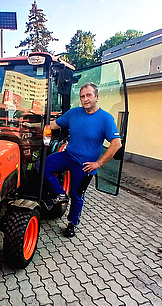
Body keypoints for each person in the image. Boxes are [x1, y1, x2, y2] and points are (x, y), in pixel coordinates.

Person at [44, 82, 122, 238]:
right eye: (82, 96)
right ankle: (60, 194)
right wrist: (37, 129)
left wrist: (98, 163)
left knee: (77, 195)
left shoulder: (105, 119)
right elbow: (53, 125)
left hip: (85, 166)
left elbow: (116, 144)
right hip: (67, 156)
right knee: (42, 167)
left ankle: (72, 223)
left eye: (88, 95)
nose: (85, 99)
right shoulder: (74, 114)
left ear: (96, 97)